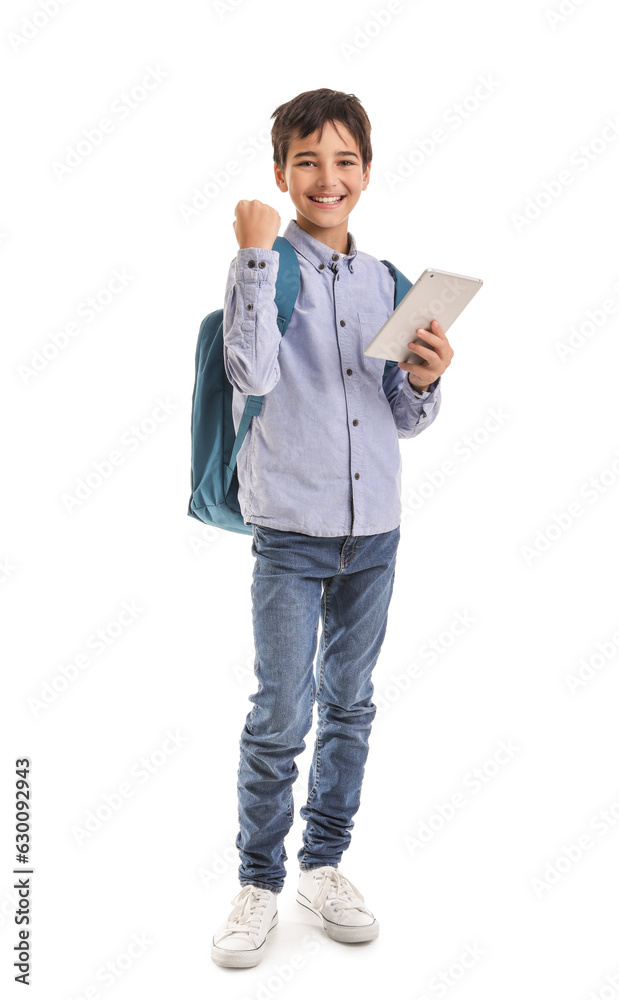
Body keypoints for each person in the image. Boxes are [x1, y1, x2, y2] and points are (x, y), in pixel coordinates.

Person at [211, 87, 454, 969]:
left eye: (343, 160)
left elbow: (403, 416)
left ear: (365, 173)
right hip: (291, 527)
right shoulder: (264, 267)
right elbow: (249, 368)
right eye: (306, 160)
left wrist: (424, 378)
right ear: (281, 172)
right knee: (281, 708)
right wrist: (248, 255)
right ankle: (255, 881)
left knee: (350, 703)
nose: (326, 176)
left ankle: (322, 864)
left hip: (374, 531)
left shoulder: (387, 280)